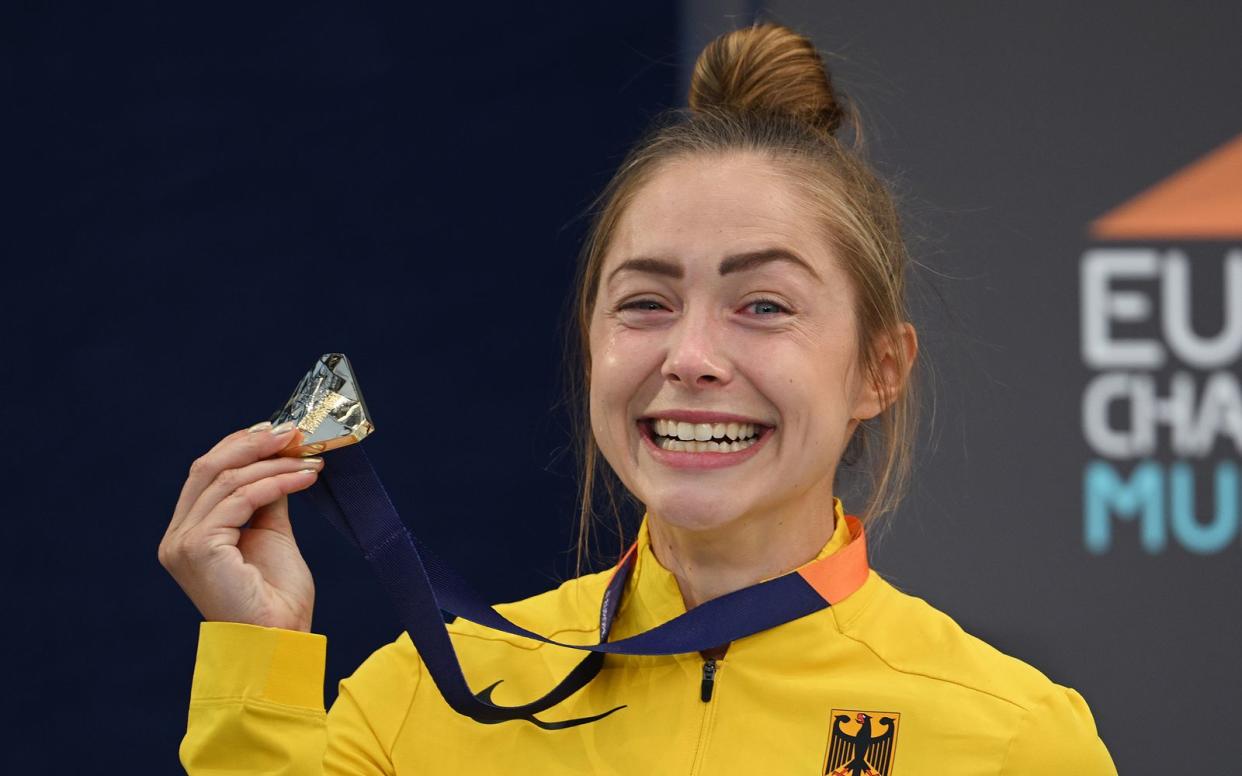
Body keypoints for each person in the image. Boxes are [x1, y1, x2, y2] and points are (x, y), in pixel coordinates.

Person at [159, 22, 1117, 775]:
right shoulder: (417, 701)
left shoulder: (1013, 740)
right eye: (646, 303)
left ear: (879, 369)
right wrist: (260, 659)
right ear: (591, 346)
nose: (692, 355)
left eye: (764, 304)